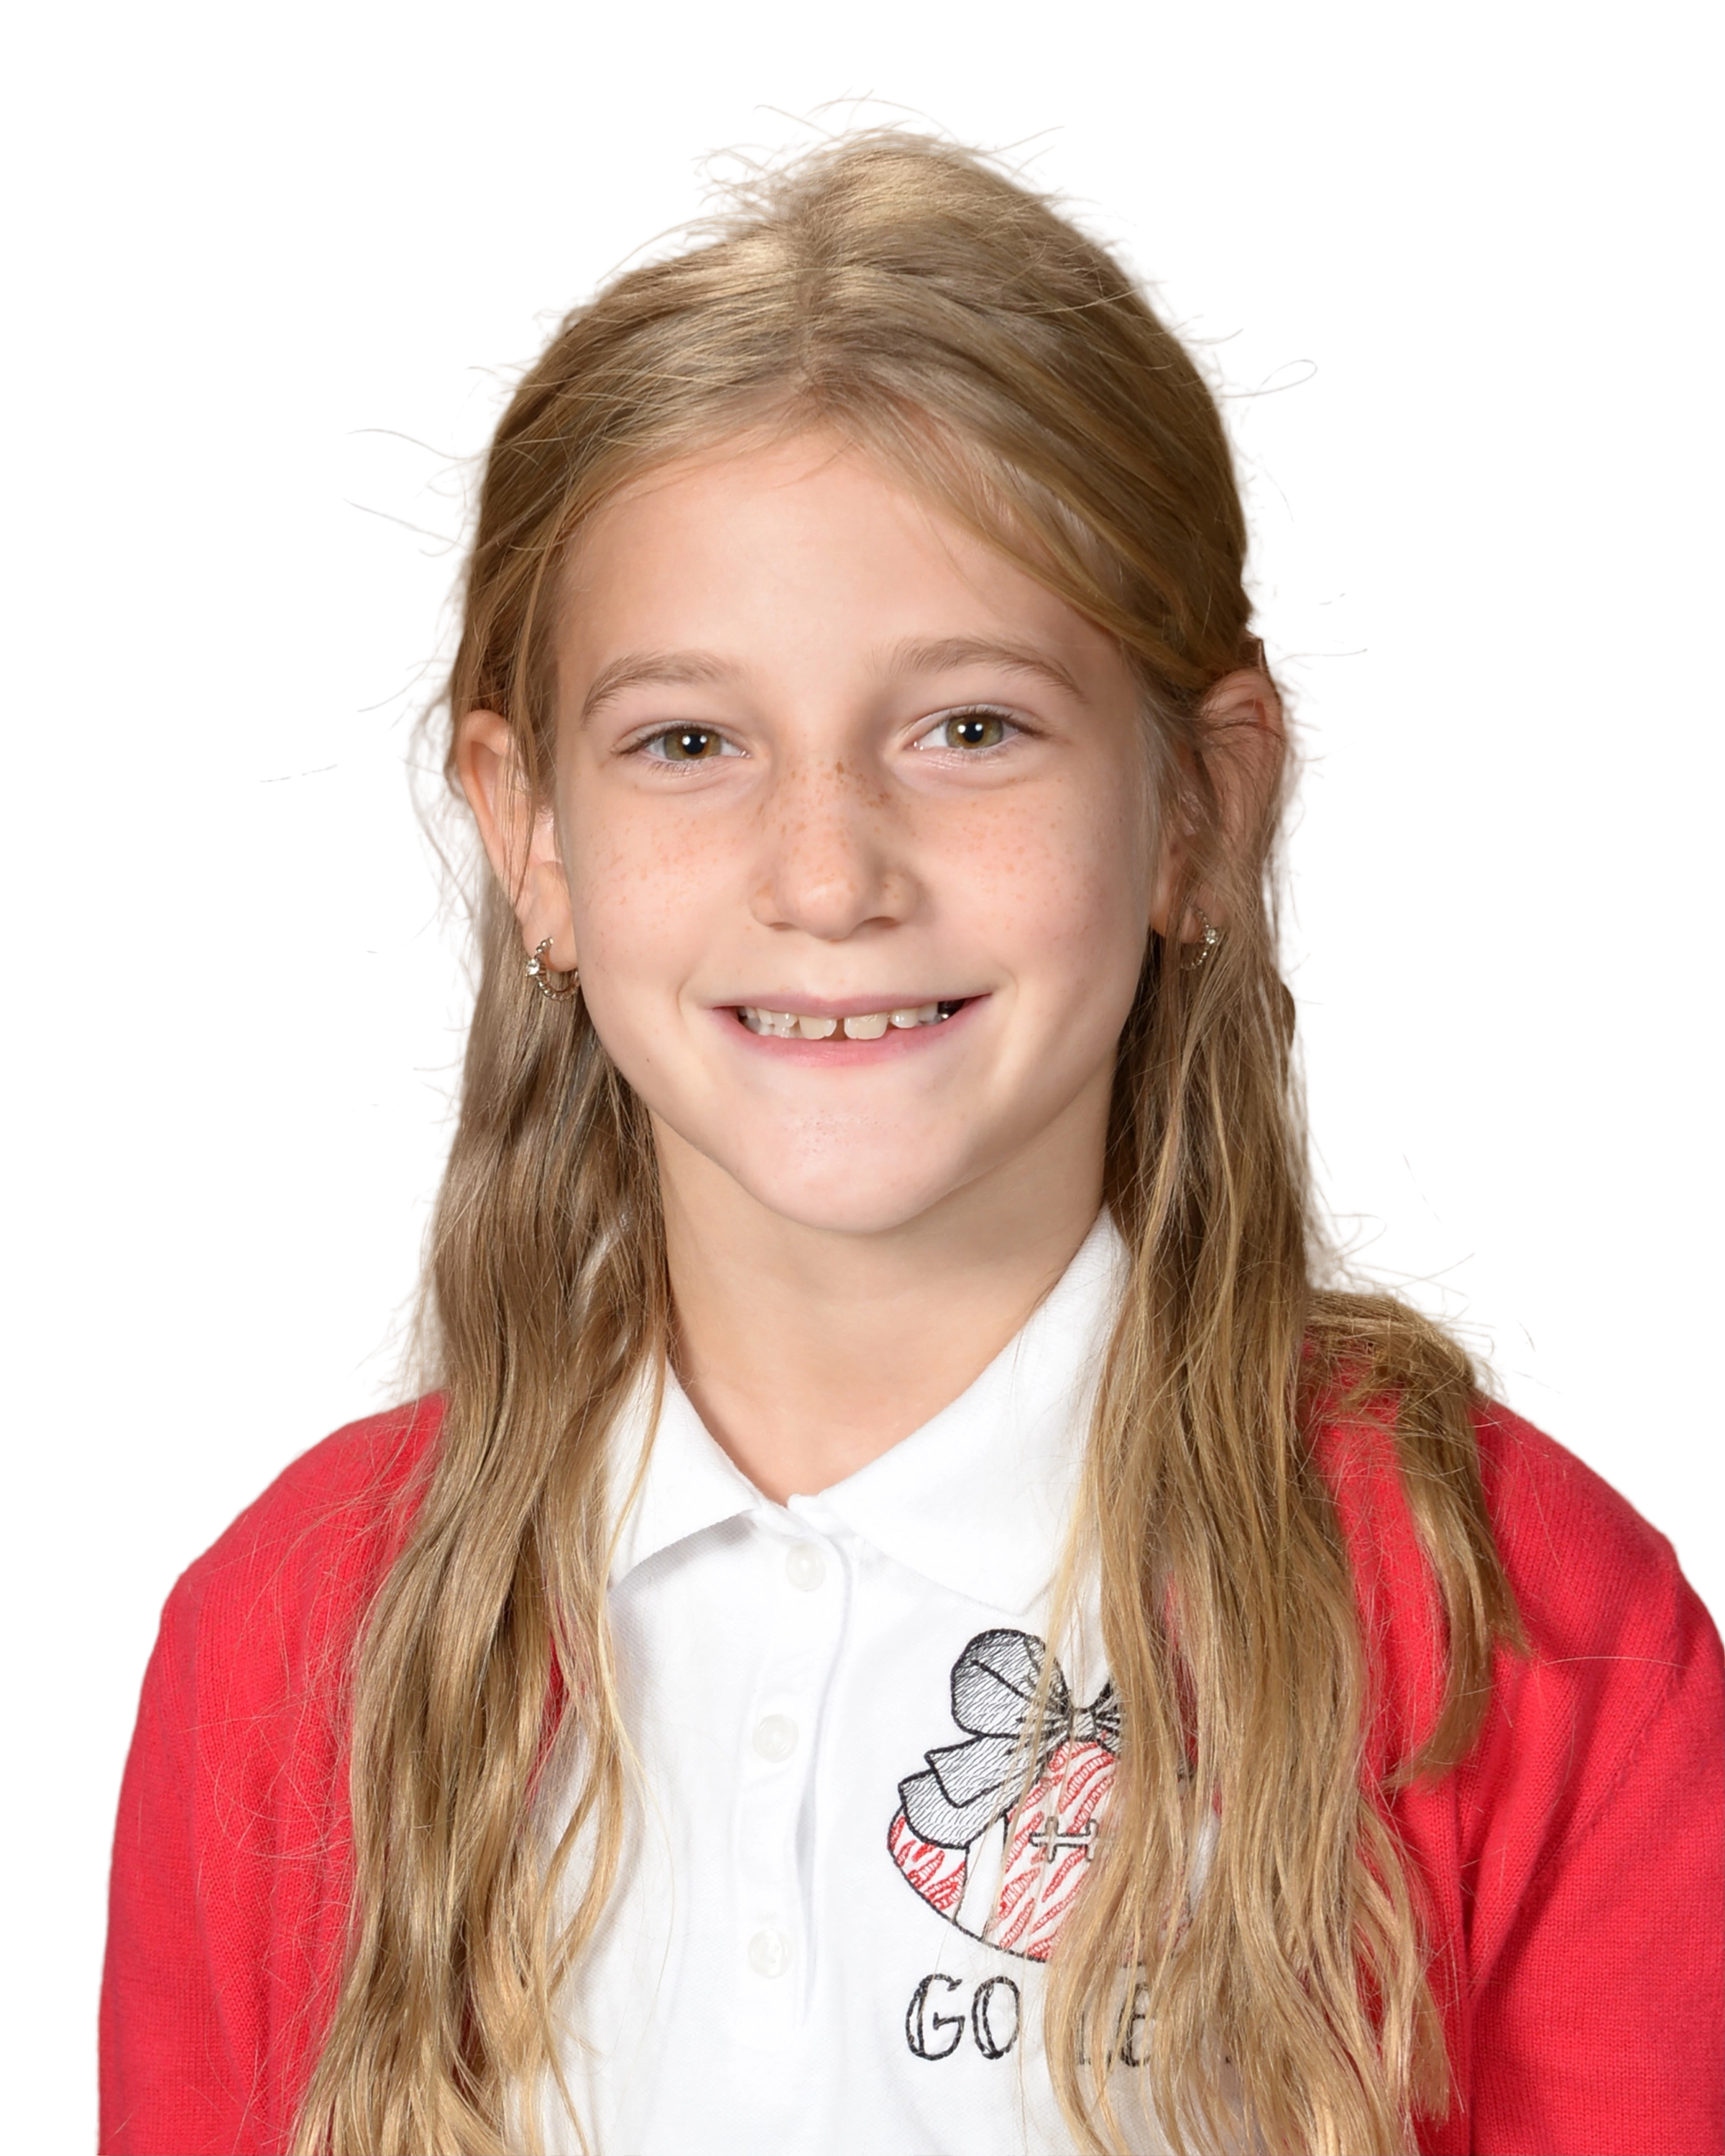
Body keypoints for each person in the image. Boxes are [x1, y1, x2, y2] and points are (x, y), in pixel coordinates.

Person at [94, 90, 1724, 2156]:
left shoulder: (1533, 1633)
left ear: (1198, 806)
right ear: (532, 837)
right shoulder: (280, 1648)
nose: (828, 872)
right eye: (690, 741)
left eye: (969, 727)